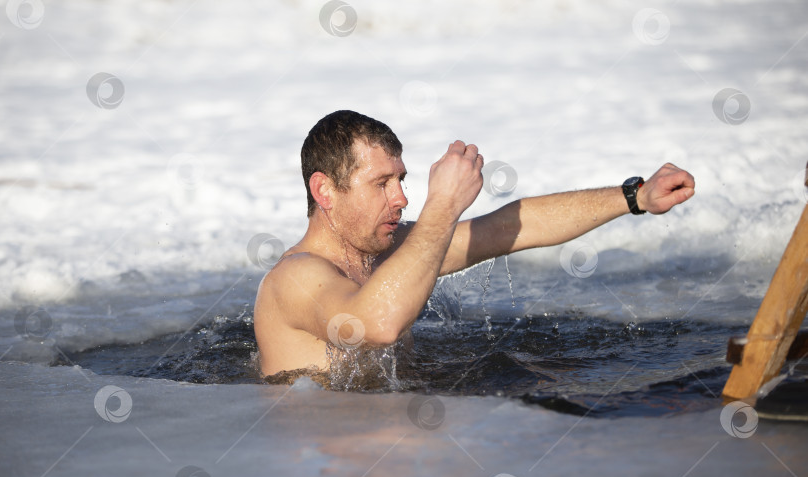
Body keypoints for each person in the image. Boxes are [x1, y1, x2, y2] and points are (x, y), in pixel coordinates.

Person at [254, 110, 695, 376]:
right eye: (381, 183)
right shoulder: (294, 279)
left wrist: (635, 196)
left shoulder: (385, 253)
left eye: (402, 180)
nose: (402, 198)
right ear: (324, 191)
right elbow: (375, 324)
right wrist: (443, 206)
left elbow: (507, 229)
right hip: (330, 462)